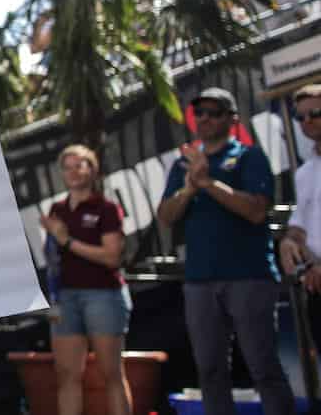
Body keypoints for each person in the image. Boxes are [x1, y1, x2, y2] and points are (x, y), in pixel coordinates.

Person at [157, 87, 292, 415]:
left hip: (249, 277)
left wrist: (208, 183)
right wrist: (190, 186)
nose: (204, 119)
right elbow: (165, 216)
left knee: (263, 368)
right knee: (210, 371)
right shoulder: (183, 165)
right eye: (199, 112)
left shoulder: (249, 156)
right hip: (199, 281)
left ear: (232, 119)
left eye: (214, 112)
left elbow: (257, 211)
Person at [39, 145, 130, 415]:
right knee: (67, 376)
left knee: (111, 373)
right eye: (67, 167)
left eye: (80, 165)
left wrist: (67, 240)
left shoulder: (107, 208)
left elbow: (112, 257)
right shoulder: (57, 209)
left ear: (93, 169)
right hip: (65, 298)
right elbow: (53, 259)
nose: (74, 172)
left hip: (103, 294)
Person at [279, 82, 321, 408]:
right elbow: (301, 223)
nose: (308, 121)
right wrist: (288, 241)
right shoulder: (306, 172)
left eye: (316, 113)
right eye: (301, 116)